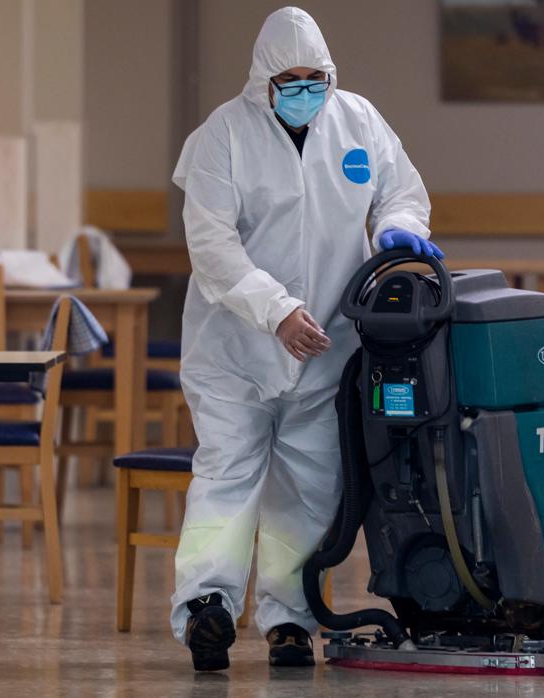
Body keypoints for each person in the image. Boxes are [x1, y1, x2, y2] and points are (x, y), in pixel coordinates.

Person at [168, 7, 437, 672]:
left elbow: (400, 193)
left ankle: (290, 620)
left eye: (314, 76)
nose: (303, 88)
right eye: (289, 78)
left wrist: (398, 230)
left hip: (329, 347)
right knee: (226, 474)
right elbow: (212, 247)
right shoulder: (221, 137)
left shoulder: (359, 122)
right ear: (263, 78)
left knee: (310, 488)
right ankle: (209, 606)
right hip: (236, 350)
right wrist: (277, 311)